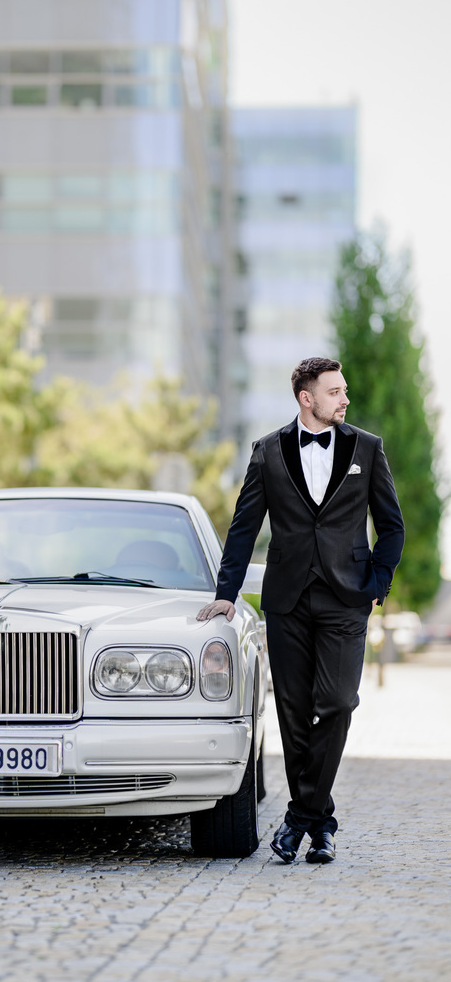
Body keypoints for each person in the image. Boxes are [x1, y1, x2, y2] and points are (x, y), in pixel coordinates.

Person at [197, 357, 404, 864]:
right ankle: (320, 824)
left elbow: (391, 525)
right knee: (291, 709)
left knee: (337, 702)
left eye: (345, 390)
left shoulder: (367, 448)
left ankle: (298, 818)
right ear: (306, 398)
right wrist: (227, 591)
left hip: (346, 597)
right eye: (335, 391)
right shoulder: (267, 452)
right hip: (287, 599)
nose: (345, 399)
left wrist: (377, 583)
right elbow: (244, 526)